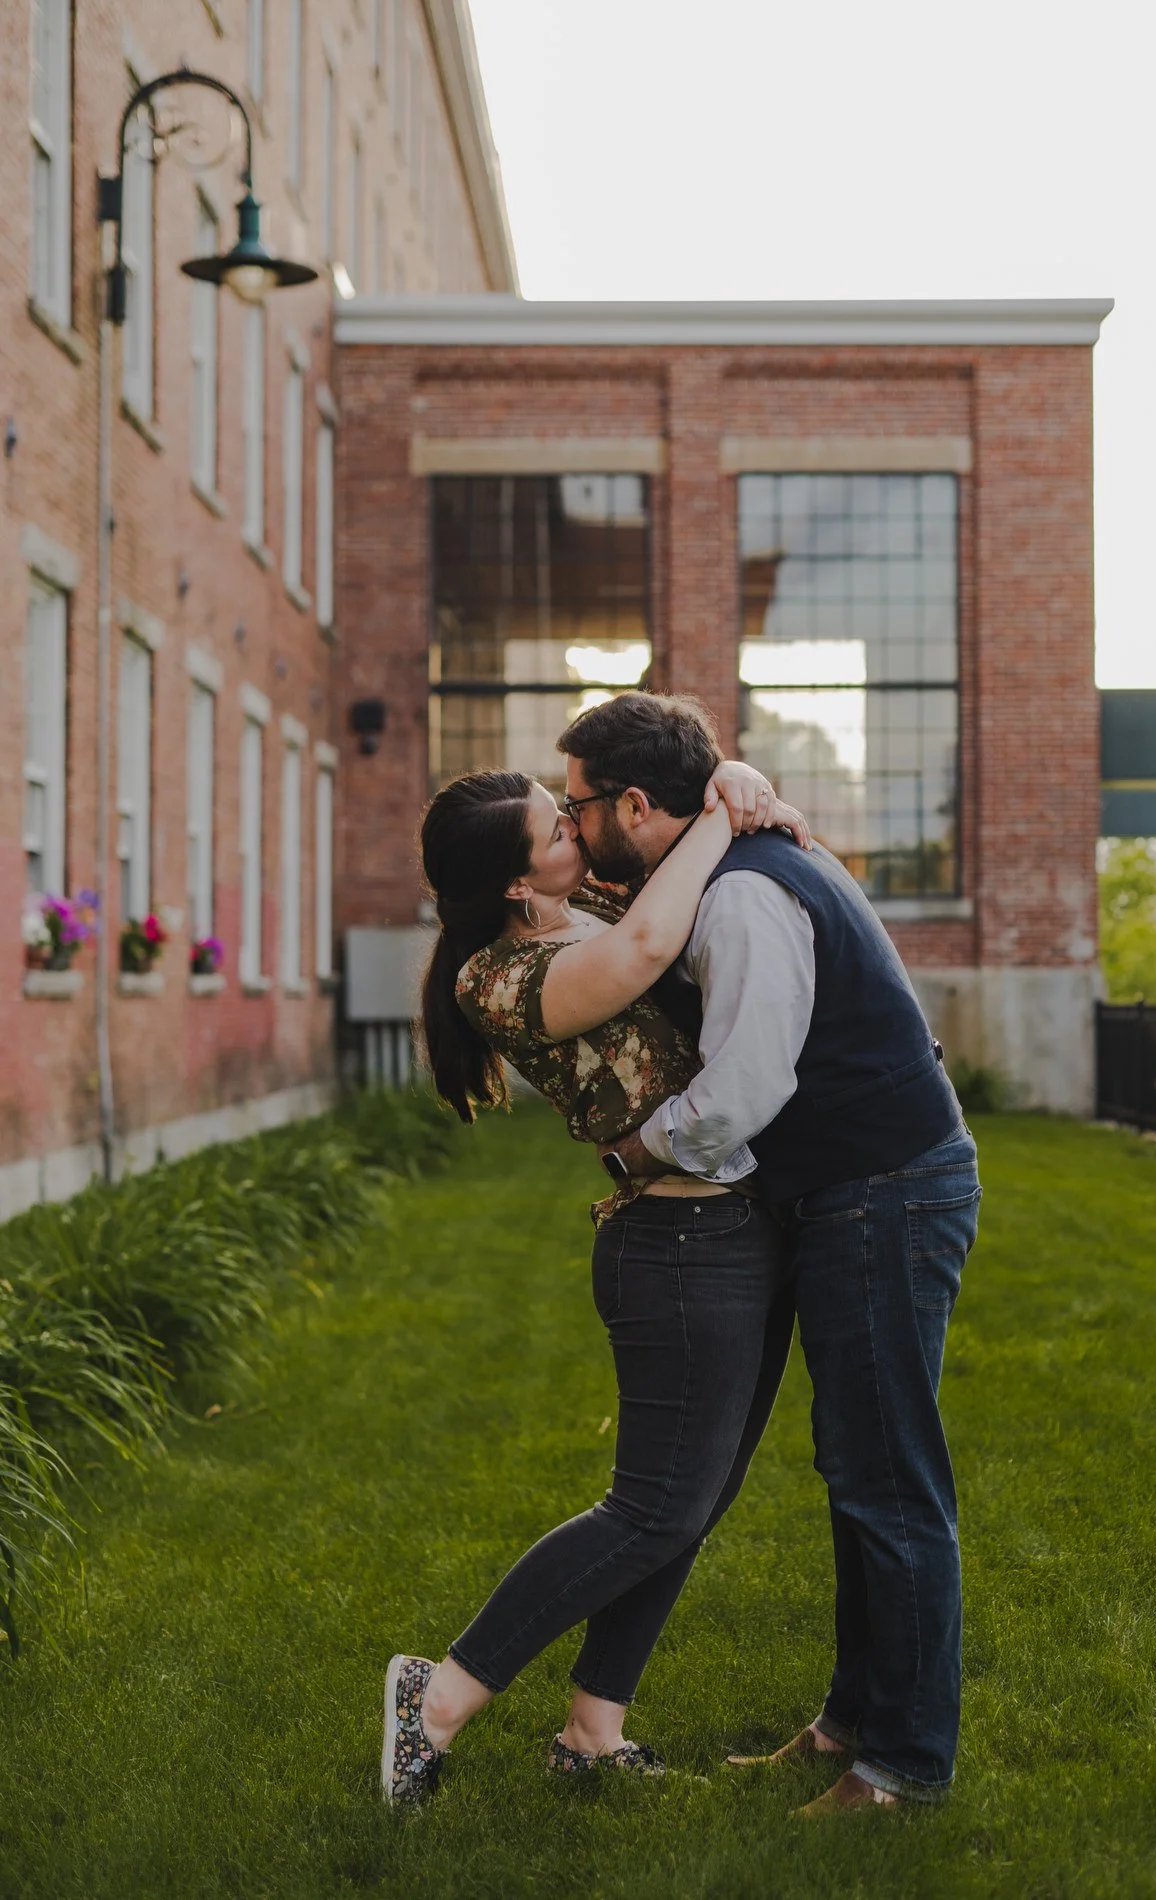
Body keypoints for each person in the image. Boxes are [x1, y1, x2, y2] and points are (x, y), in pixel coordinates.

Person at [560, 691, 982, 1818]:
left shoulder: (743, 893)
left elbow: (744, 1091)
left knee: (887, 1475)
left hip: (886, 1188)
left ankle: (903, 1769)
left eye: (578, 804)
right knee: (857, 1468)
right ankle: (852, 1722)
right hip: (851, 1187)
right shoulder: (717, 860)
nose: (571, 824)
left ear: (634, 805)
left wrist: (638, 1149)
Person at [382, 748, 810, 1805]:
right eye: (554, 829)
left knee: (692, 1503)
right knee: (652, 1508)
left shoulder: (596, 898)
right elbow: (651, 947)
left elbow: (694, 899)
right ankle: (436, 1698)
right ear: (514, 881)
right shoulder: (500, 980)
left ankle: (591, 1729)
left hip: (740, 1227)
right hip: (675, 1247)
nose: (576, 828)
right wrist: (722, 806)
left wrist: (732, 772)